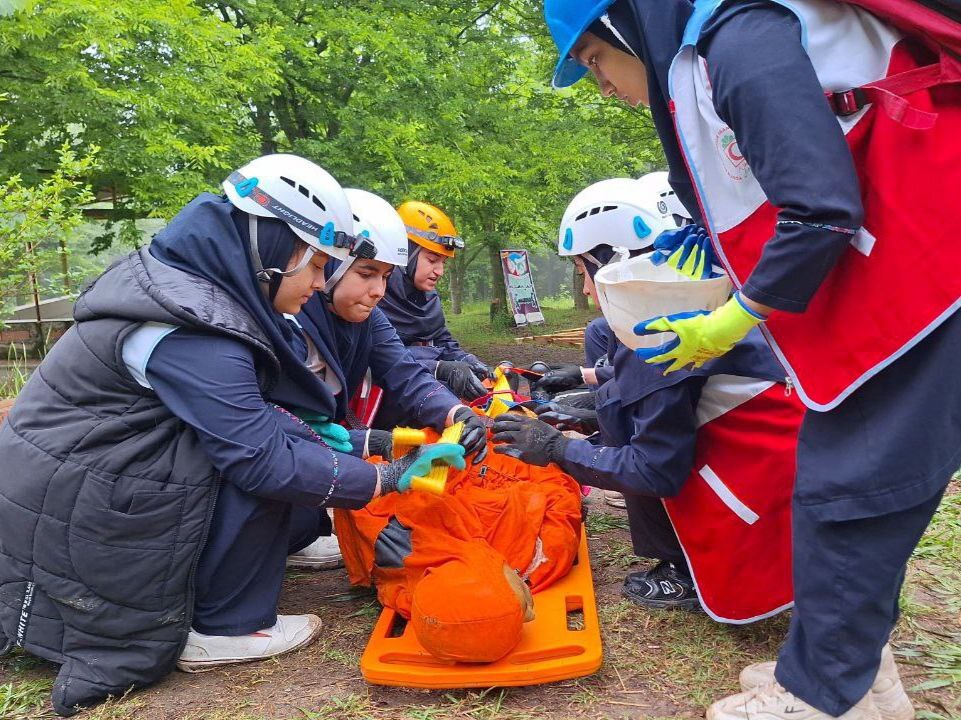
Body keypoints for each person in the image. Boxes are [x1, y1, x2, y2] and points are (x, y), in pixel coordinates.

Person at [542, 1, 961, 718]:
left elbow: (820, 208)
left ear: (621, 26)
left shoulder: (736, 35)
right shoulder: (703, 53)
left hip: (932, 273)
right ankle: (859, 678)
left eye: (593, 63)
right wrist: (716, 241)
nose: (603, 87)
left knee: (848, 487)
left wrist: (729, 318)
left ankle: (819, 697)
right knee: (851, 484)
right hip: (908, 271)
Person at [0, 154, 465, 714]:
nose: (321, 282)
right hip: (78, 506)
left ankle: (237, 583)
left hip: (81, 482)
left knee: (281, 446)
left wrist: (367, 444)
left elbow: (262, 414)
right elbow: (260, 457)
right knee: (265, 464)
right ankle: (224, 627)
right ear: (271, 249)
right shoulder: (194, 327)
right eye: (316, 265)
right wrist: (384, 479)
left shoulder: (197, 294)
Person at [493, 177, 803, 621]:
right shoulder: (687, 302)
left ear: (611, 263)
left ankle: (685, 569)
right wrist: (588, 421)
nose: (584, 289)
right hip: (786, 472)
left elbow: (657, 468)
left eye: (584, 271)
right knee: (614, 421)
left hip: (759, 493)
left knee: (628, 445)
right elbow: (654, 403)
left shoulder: (656, 331)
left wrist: (557, 448)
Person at [288, 189, 490, 569]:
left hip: (326, 430)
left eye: (384, 276)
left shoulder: (370, 313)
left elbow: (404, 370)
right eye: (366, 274)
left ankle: (298, 532)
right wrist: (369, 441)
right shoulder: (295, 314)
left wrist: (456, 413)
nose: (378, 290)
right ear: (329, 265)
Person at [377, 201, 492, 416]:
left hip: (424, 397)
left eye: (443, 263)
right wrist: (439, 367)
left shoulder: (428, 298)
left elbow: (440, 338)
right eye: (432, 260)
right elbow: (382, 355)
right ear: (405, 254)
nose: (439, 271)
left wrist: (464, 358)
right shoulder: (375, 297)